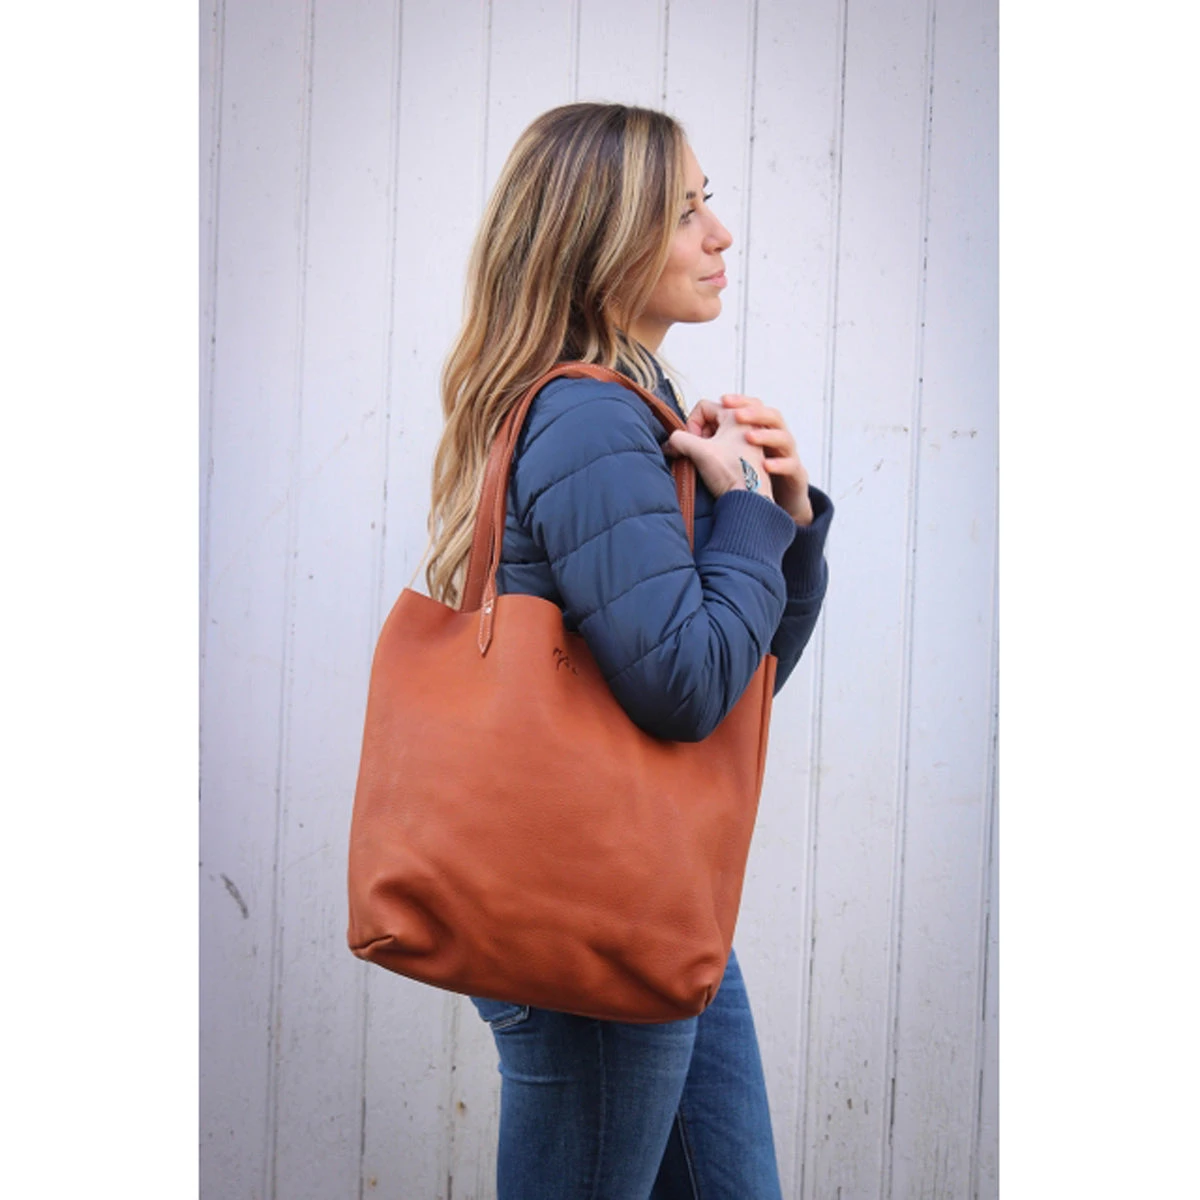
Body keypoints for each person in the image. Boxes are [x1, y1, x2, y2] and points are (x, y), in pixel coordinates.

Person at [424, 102, 833, 1200]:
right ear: (603, 239)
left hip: (651, 898)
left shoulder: (640, 409)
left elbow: (736, 684)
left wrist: (781, 520)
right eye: (686, 210)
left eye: (709, 203)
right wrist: (743, 516)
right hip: (591, 916)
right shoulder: (592, 421)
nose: (720, 234)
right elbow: (683, 688)